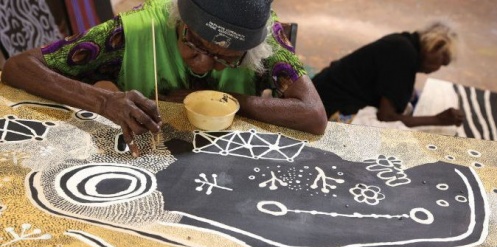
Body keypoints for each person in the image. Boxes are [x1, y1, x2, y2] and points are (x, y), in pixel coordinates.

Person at [1, 0, 327, 157]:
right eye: (195, 46)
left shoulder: (268, 41)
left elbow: (313, 116)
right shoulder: (135, 29)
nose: (206, 66)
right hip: (148, 155)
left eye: (228, 60)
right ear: (179, 22)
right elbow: (19, 66)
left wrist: (230, 104)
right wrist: (104, 100)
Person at [312, 21, 464, 128]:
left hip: (318, 95)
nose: (437, 68)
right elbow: (386, 118)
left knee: (408, 105)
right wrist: (438, 120)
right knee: (397, 137)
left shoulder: (403, 43)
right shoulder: (404, 54)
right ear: (434, 46)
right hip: (325, 110)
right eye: (441, 61)